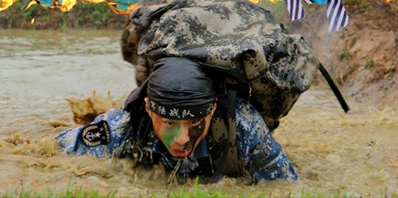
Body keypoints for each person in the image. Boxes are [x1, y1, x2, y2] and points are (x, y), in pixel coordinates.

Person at [56, 57, 298, 184]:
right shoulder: (123, 126)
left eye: (194, 123)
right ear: (149, 109)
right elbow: (52, 153)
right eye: (169, 123)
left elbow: (284, 186)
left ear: (212, 109)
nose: (182, 139)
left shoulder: (244, 126)